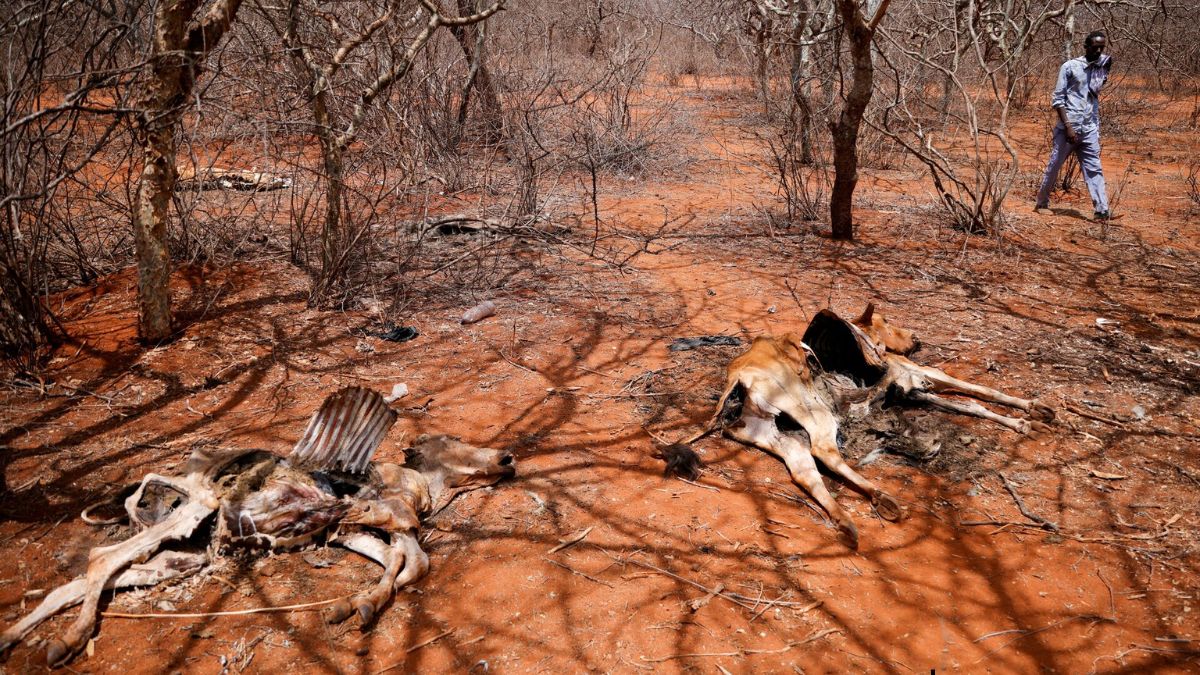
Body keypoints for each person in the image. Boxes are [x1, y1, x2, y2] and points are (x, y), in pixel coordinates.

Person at [1035, 30, 1114, 220]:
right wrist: (1068, 126)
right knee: (1055, 165)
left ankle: (1101, 210)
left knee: (1094, 168)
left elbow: (1097, 88)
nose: (1098, 52)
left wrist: (1105, 67)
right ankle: (1042, 202)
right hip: (1068, 127)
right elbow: (1058, 99)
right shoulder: (1070, 67)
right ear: (1086, 47)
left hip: (1090, 127)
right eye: (1095, 48)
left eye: (1101, 48)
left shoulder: (1101, 66)